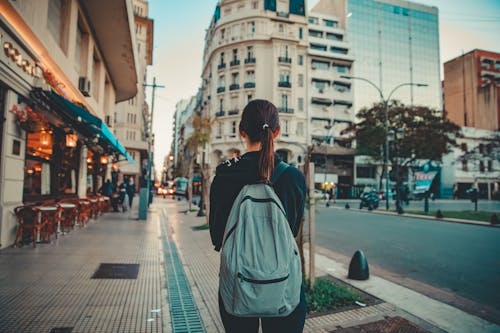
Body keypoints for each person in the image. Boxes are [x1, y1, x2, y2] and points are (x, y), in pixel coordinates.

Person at [209, 99, 307, 333]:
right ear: (277, 131)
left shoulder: (224, 175)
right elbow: (291, 229)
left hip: (237, 285)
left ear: (242, 132)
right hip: (283, 284)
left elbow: (217, 236)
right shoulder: (292, 177)